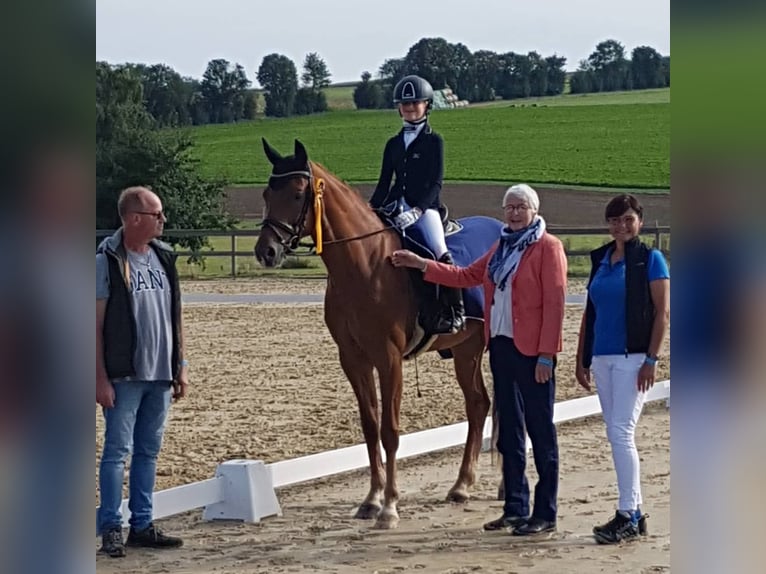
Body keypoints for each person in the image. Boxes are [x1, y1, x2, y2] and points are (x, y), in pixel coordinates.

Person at [391, 184, 567, 535]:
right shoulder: (501, 246)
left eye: (520, 207)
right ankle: (515, 507)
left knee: (541, 434)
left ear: (533, 211)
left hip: (534, 353)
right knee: (510, 434)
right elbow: (467, 276)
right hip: (501, 347)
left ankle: (545, 512)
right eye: (509, 208)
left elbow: (556, 304)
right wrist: (421, 264)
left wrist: (547, 354)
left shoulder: (548, 248)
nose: (514, 213)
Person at [96, 186, 187, 557]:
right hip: (124, 375)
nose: (163, 220)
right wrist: (99, 377)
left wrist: (180, 366)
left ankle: (143, 524)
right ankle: (110, 528)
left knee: (149, 452)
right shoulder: (106, 261)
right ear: (135, 219)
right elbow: (93, 325)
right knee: (118, 451)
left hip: (160, 374)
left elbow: (174, 316)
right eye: (157, 214)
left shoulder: (164, 258)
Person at [575, 193, 670, 544]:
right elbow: (591, 311)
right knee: (616, 431)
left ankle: (627, 513)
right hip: (602, 357)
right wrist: (582, 357)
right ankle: (636, 511)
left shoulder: (650, 260)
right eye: (615, 220)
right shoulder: (602, 259)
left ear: (639, 221)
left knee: (620, 432)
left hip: (634, 358)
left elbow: (662, 312)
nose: (621, 226)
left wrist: (651, 359)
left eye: (627, 219)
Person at [369, 74, 464, 335]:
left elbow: (435, 183)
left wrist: (419, 211)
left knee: (438, 251)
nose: (410, 109)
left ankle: (455, 311)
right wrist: (369, 210)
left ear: (427, 105)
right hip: (396, 207)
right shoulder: (393, 144)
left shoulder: (435, 141)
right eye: (405, 104)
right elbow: (384, 184)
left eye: (415, 104)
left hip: (425, 209)